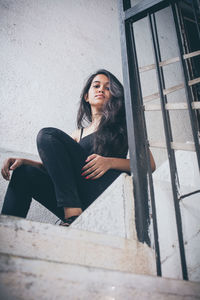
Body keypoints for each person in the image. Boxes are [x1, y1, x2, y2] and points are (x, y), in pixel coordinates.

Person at [1, 69, 155, 226]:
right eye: (96, 86)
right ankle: (5, 232)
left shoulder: (124, 126)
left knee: (48, 135)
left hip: (105, 191)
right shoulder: (77, 134)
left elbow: (149, 164)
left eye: (108, 88)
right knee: (24, 172)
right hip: (79, 197)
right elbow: (60, 171)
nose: (101, 89)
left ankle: (72, 212)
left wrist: (109, 162)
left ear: (114, 96)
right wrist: (26, 162)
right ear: (86, 97)